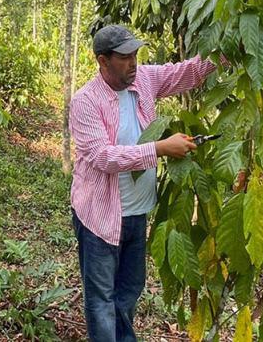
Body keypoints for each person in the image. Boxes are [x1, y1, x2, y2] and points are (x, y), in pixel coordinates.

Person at [69, 25, 222, 342]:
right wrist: (160, 148)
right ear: (103, 61)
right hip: (99, 217)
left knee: (129, 293)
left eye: (135, 54)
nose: (133, 62)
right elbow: (104, 157)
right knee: (101, 301)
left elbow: (186, 73)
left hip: (137, 213)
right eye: (124, 57)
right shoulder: (85, 101)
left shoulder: (144, 80)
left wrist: (224, 54)